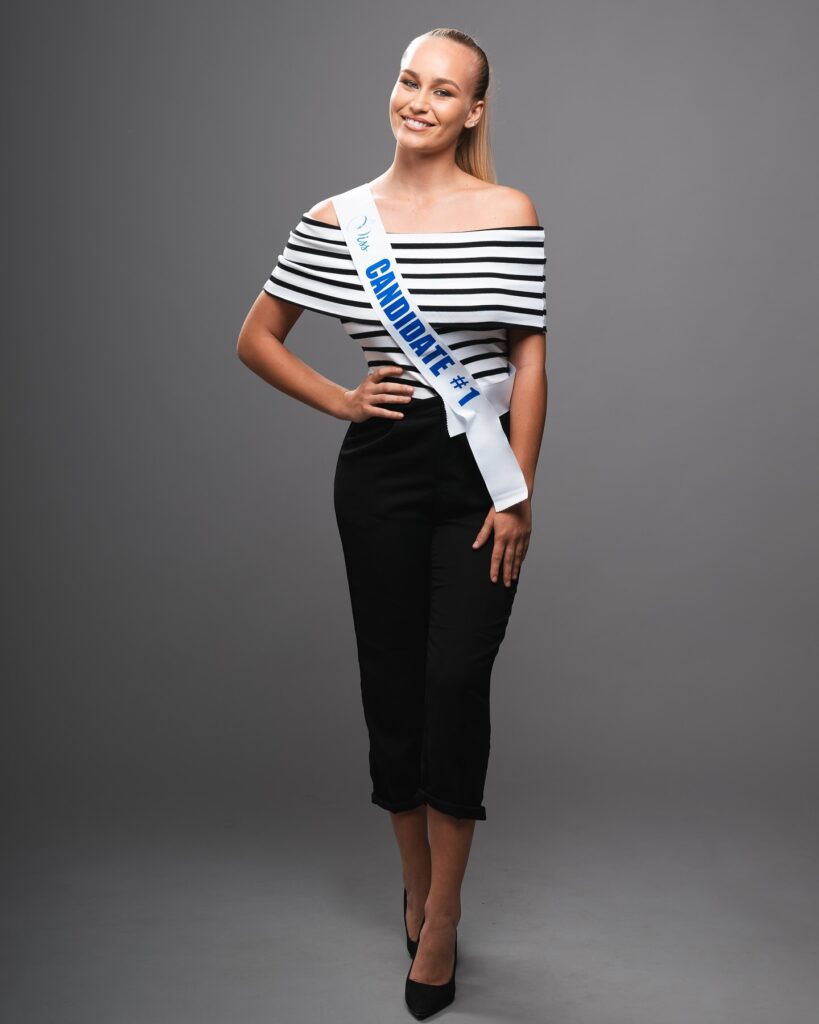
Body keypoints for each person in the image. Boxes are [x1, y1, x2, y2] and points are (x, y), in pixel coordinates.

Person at [237, 26, 548, 1018]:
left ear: (473, 111)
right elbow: (256, 337)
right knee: (395, 689)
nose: (419, 100)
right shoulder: (337, 220)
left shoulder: (509, 212)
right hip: (381, 474)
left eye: (444, 89)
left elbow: (528, 358)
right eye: (410, 80)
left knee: (455, 682)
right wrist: (341, 398)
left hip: (480, 472)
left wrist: (517, 493)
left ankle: (443, 914)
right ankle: (415, 885)